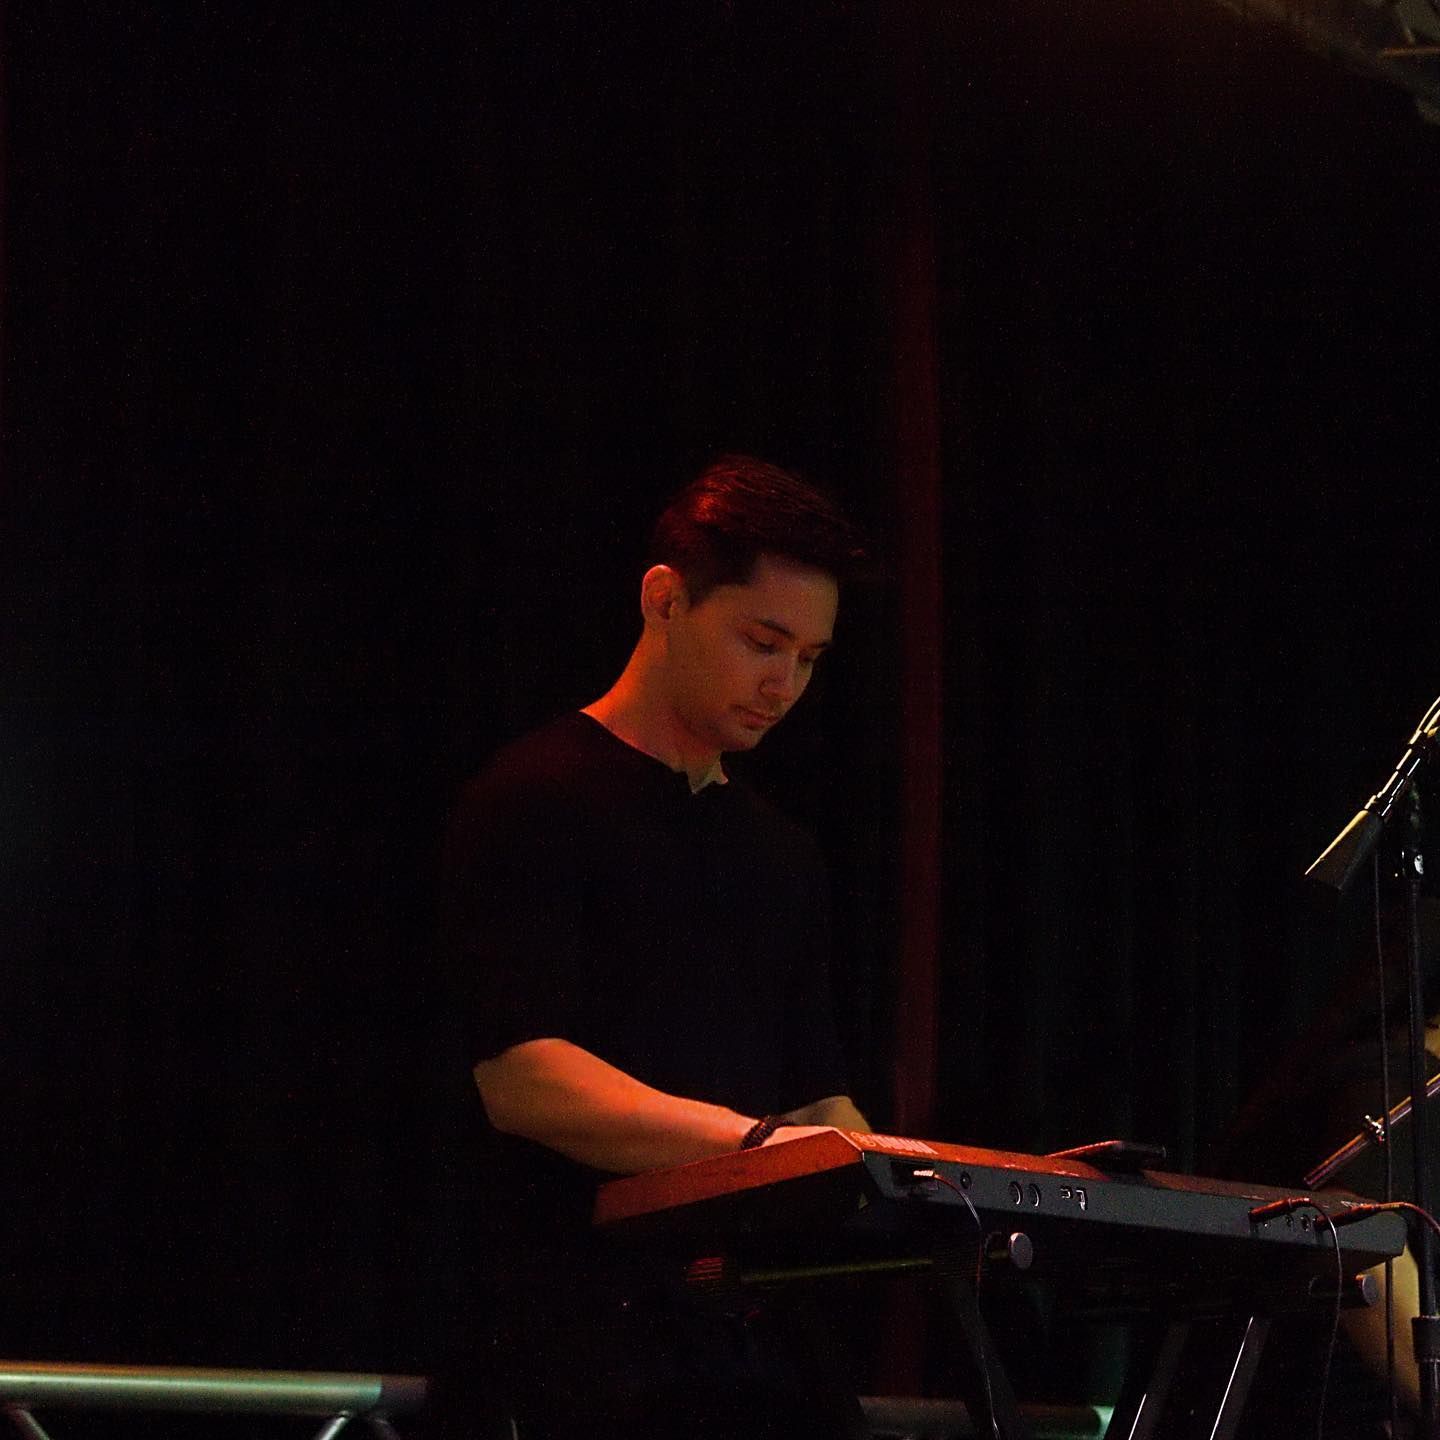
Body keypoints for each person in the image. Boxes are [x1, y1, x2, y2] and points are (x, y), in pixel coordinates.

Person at [436, 455, 875, 1438]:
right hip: (579, 1333)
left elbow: (817, 1092)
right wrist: (760, 1145)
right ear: (665, 600)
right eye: (762, 642)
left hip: (750, 1335)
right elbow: (525, 1078)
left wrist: (905, 1170)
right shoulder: (534, 799)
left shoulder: (783, 854)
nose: (783, 685)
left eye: (809, 659)